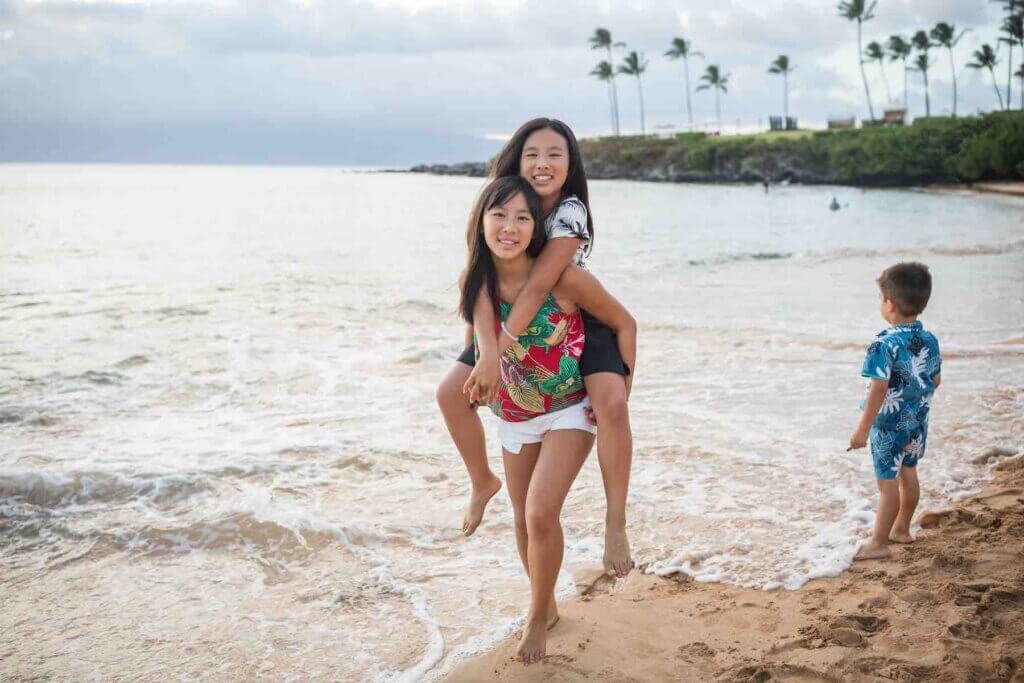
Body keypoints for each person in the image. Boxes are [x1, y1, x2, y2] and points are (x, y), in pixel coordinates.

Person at [436, 118, 636, 578]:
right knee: (450, 393)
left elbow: (540, 285)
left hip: (575, 314)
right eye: (532, 154)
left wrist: (495, 351)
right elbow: (481, 274)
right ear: (516, 160)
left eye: (554, 155)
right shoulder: (504, 200)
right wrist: (480, 348)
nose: (542, 164)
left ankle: (615, 519)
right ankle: (481, 480)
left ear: (570, 166)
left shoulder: (569, 212)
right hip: (513, 324)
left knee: (611, 405)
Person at [454, 175, 636, 663]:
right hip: (515, 415)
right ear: (481, 223)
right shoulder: (477, 284)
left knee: (539, 512)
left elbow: (625, 322)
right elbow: (483, 342)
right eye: (499, 216)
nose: (509, 227)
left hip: (568, 411)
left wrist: (621, 391)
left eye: (522, 218)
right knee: (521, 520)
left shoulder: (564, 279)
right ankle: (546, 602)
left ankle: (535, 619)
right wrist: (486, 359)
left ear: (537, 229)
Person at [848, 262, 941, 561]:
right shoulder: (929, 339)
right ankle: (901, 529)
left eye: (880, 298)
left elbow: (878, 388)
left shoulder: (882, 344)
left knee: (886, 483)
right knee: (908, 471)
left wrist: (863, 429)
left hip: (888, 425)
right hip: (916, 420)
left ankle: (878, 543)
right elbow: (936, 379)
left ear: (889, 304)